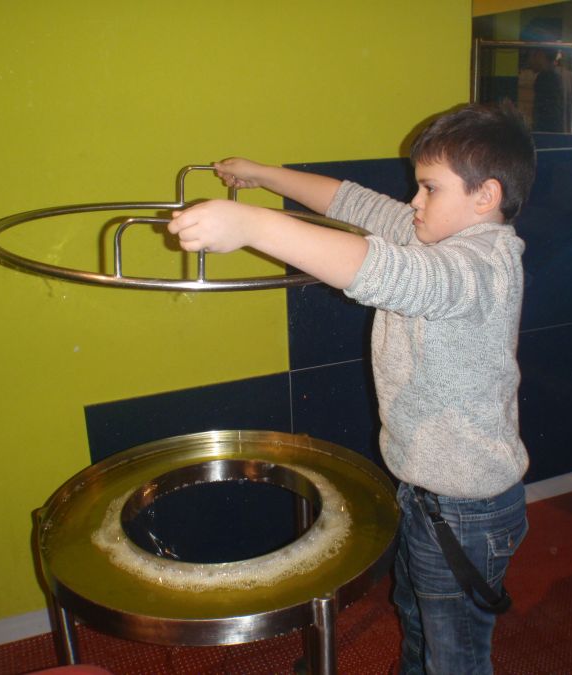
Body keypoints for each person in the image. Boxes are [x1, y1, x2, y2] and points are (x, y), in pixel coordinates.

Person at [168, 102, 535, 674]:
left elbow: (394, 274)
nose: (414, 201)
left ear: (485, 196)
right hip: (426, 490)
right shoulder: (432, 234)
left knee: (455, 654)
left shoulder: (483, 266)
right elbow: (351, 203)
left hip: (467, 509)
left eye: (429, 188)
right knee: (416, 617)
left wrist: (254, 227)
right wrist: (263, 176)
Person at [528, 48, 565, 132]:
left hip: (545, 131)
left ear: (541, 55)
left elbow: (543, 112)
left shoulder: (544, 78)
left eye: (534, 55)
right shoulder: (555, 77)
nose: (531, 60)